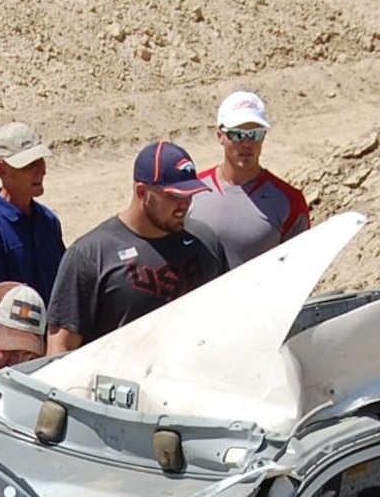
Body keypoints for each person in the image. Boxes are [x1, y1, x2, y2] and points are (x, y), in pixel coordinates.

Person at [46, 141, 222, 356]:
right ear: (142, 192)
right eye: (174, 196)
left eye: (189, 194)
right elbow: (60, 347)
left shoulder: (205, 242)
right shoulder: (91, 256)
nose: (185, 204)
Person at [187, 91, 312, 268]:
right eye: (237, 134)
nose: (246, 143)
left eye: (255, 134)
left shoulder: (290, 201)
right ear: (220, 136)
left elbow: (301, 267)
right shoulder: (191, 192)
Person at [0, 122, 65, 307]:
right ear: (1, 170)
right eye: (29, 165)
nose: (41, 171)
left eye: (41, 161)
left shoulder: (48, 221)